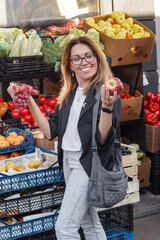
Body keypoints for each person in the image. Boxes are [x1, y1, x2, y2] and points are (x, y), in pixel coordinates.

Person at [7, 36, 121, 240]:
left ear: (97, 58)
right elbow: (51, 132)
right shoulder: (69, 94)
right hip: (68, 162)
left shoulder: (105, 92)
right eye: (76, 59)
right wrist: (30, 100)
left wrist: (107, 107)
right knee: (89, 223)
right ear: (70, 65)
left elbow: (103, 140)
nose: (84, 62)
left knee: (65, 228)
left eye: (88, 56)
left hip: (87, 165)